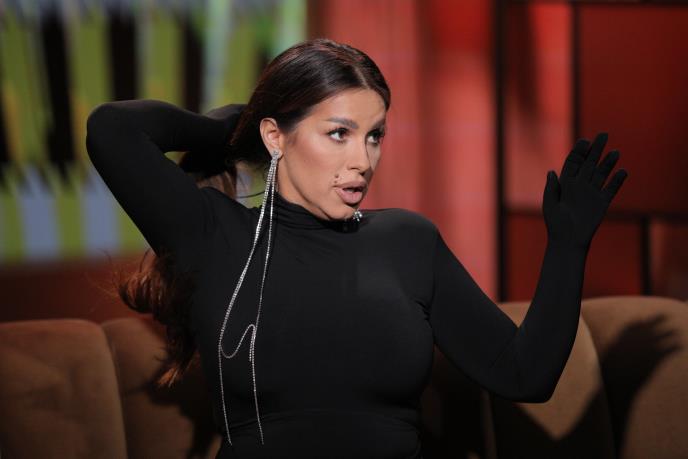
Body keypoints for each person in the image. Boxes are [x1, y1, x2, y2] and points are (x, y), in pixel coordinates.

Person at [85, 37, 628, 459]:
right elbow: (112, 130)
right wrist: (229, 128)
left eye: (374, 136)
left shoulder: (407, 242)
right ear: (276, 137)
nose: (363, 162)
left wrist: (567, 247)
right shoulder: (214, 235)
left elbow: (524, 374)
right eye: (339, 134)